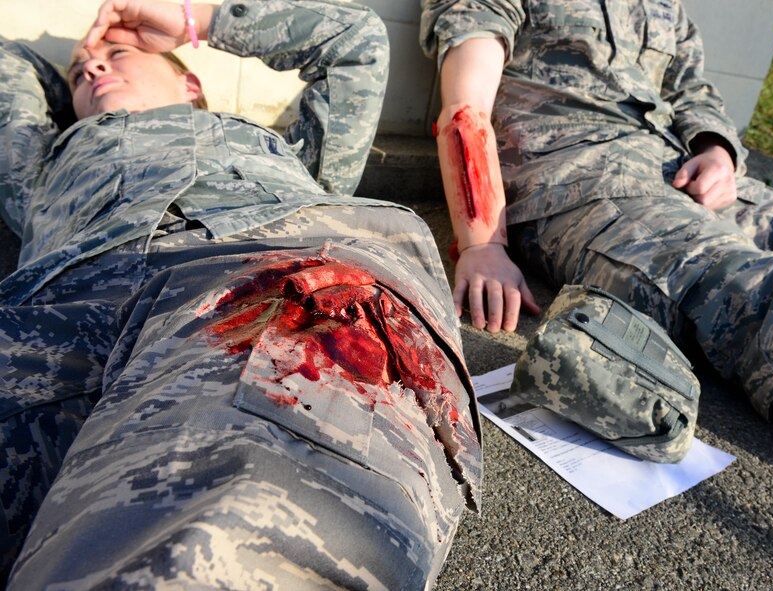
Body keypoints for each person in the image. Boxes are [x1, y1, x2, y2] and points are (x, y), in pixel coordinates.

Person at [0, 1, 482, 588]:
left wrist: (194, 23)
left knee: (219, 537)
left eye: (117, 56)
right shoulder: (42, 168)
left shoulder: (293, 158)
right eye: (79, 75)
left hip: (257, 274)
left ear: (190, 80)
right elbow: (9, 64)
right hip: (52, 319)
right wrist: (80, 58)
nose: (94, 71)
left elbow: (356, 41)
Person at [419, 0, 773, 497]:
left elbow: (690, 89)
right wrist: (483, 243)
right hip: (585, 182)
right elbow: (465, 107)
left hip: (682, 170)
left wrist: (716, 149)